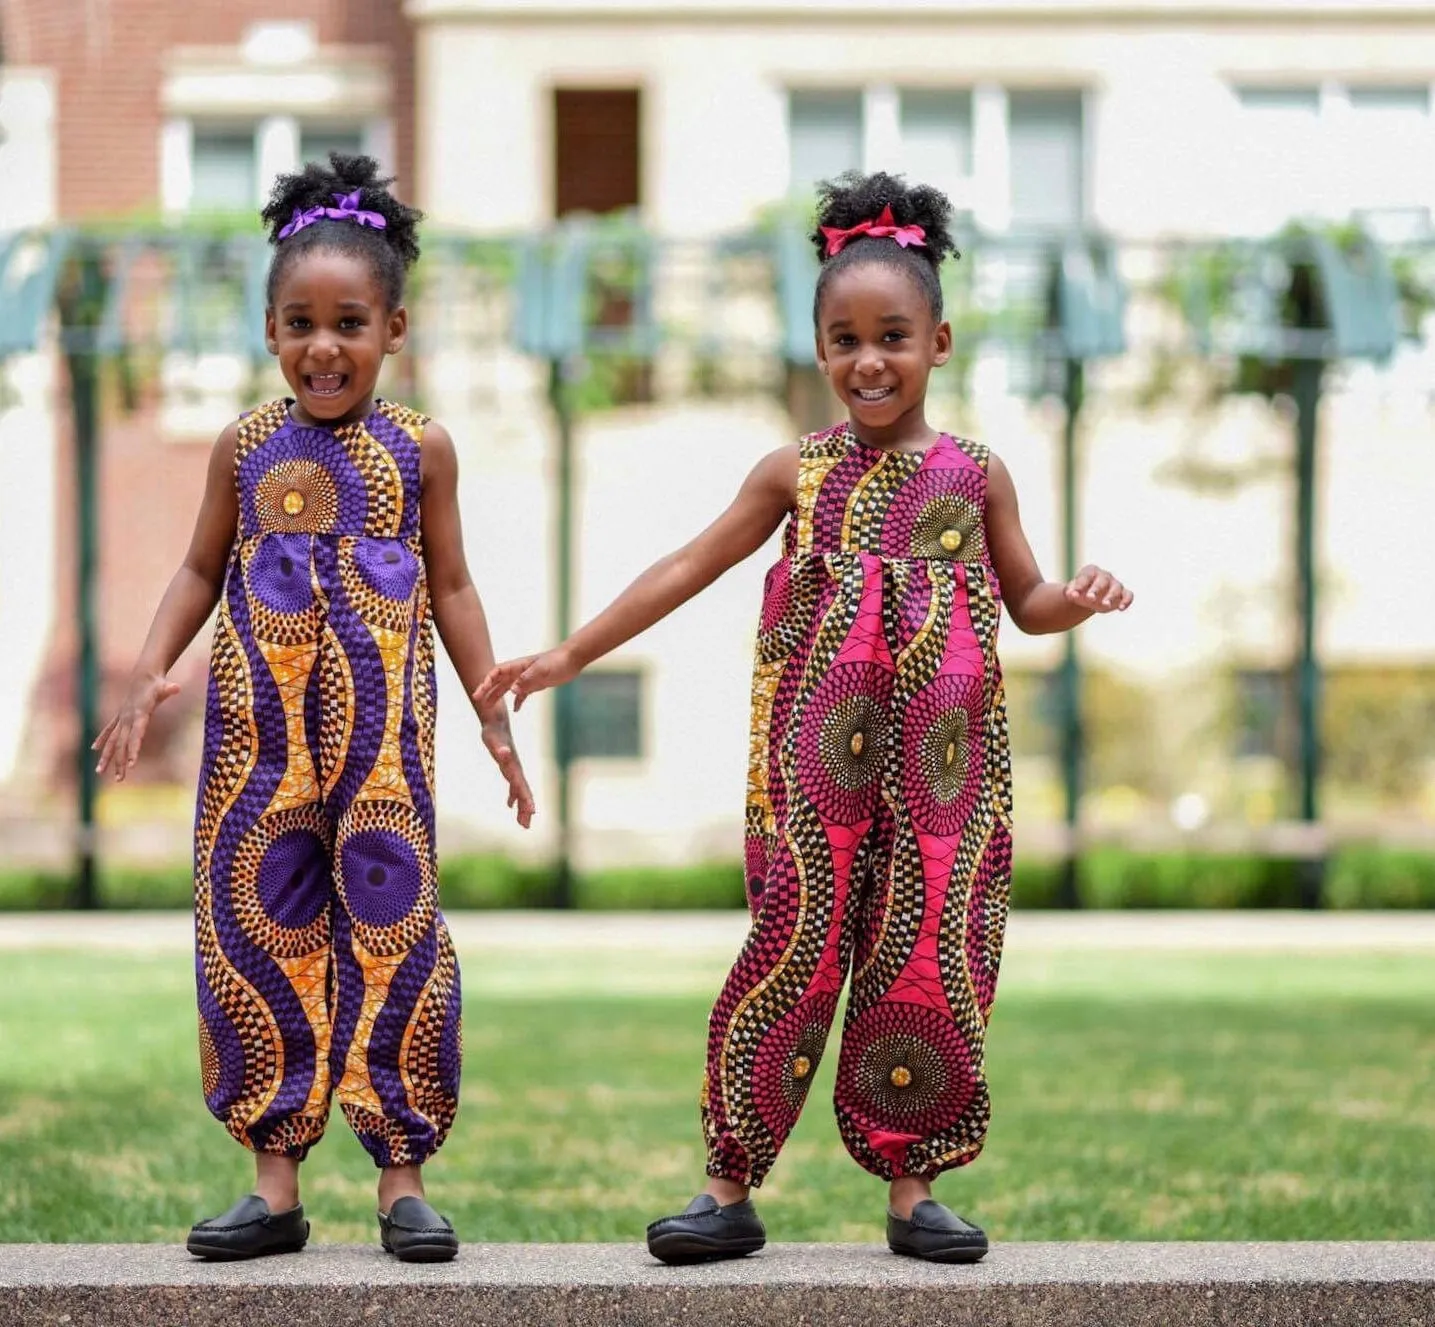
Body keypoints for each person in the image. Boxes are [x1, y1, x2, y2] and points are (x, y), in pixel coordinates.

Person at [476, 170, 1132, 1266]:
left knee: (929, 955)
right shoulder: (797, 472)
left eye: (893, 336)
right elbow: (688, 563)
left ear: (940, 342)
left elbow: (1026, 603)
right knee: (792, 944)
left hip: (943, 762)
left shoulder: (976, 475)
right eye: (843, 338)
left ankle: (912, 1191)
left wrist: (1079, 596)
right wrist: (569, 653)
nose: (868, 360)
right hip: (812, 762)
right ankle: (726, 1187)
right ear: (817, 347)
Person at [93, 154, 534, 1264]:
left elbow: (455, 584)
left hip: (384, 738)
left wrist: (491, 713)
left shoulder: (419, 447)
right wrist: (149, 669)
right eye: (299, 322)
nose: (322, 345)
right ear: (269, 328)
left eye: (348, 321)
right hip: (258, 738)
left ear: (394, 326)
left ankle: (401, 1178)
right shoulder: (244, 447)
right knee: (257, 926)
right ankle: (275, 1184)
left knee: (394, 931)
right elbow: (199, 570)